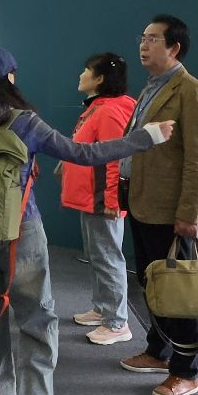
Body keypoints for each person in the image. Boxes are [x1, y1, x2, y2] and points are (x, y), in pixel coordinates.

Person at [0, 45, 173, 395]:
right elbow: (85, 154)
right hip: (21, 233)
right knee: (36, 321)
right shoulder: (24, 122)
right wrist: (145, 138)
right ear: (10, 78)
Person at [118, 15, 198, 395]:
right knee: (153, 281)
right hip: (142, 201)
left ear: (174, 47)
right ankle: (158, 351)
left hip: (171, 210)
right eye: (143, 38)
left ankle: (186, 372)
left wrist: (189, 213)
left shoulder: (192, 92)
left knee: (179, 291)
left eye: (153, 39)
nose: (144, 45)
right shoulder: (150, 89)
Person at [59, 53, 136, 346]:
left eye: (86, 70)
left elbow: (116, 157)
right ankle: (104, 308)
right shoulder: (99, 108)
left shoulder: (109, 111)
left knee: (108, 257)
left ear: (100, 79)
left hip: (103, 199)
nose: (81, 75)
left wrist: (112, 201)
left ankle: (117, 323)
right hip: (92, 198)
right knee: (98, 255)